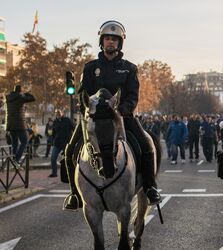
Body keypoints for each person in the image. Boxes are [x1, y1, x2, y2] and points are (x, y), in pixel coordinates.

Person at [63, 20, 161, 210]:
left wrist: (121, 111)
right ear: (102, 41)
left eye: (114, 40)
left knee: (146, 145)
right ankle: (74, 194)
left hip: (121, 117)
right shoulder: (90, 67)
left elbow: (133, 96)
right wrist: (88, 110)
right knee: (69, 150)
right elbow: (82, 93)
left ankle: (150, 188)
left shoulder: (129, 68)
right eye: (107, 38)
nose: (110, 42)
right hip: (94, 118)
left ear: (120, 43)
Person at [5, 85, 35, 163]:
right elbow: (33, 98)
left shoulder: (8, 98)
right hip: (19, 124)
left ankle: (14, 159)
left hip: (10, 124)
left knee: (14, 142)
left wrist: (22, 94)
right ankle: (17, 159)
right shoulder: (20, 97)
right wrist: (27, 93)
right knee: (24, 141)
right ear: (20, 91)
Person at [49, 109, 73, 177]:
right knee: (53, 158)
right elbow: (53, 133)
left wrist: (73, 140)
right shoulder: (55, 122)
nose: (58, 114)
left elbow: (74, 128)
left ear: (62, 113)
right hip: (57, 143)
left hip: (66, 143)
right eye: (56, 113)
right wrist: (52, 141)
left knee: (68, 158)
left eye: (59, 113)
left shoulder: (67, 120)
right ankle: (54, 173)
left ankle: (70, 173)